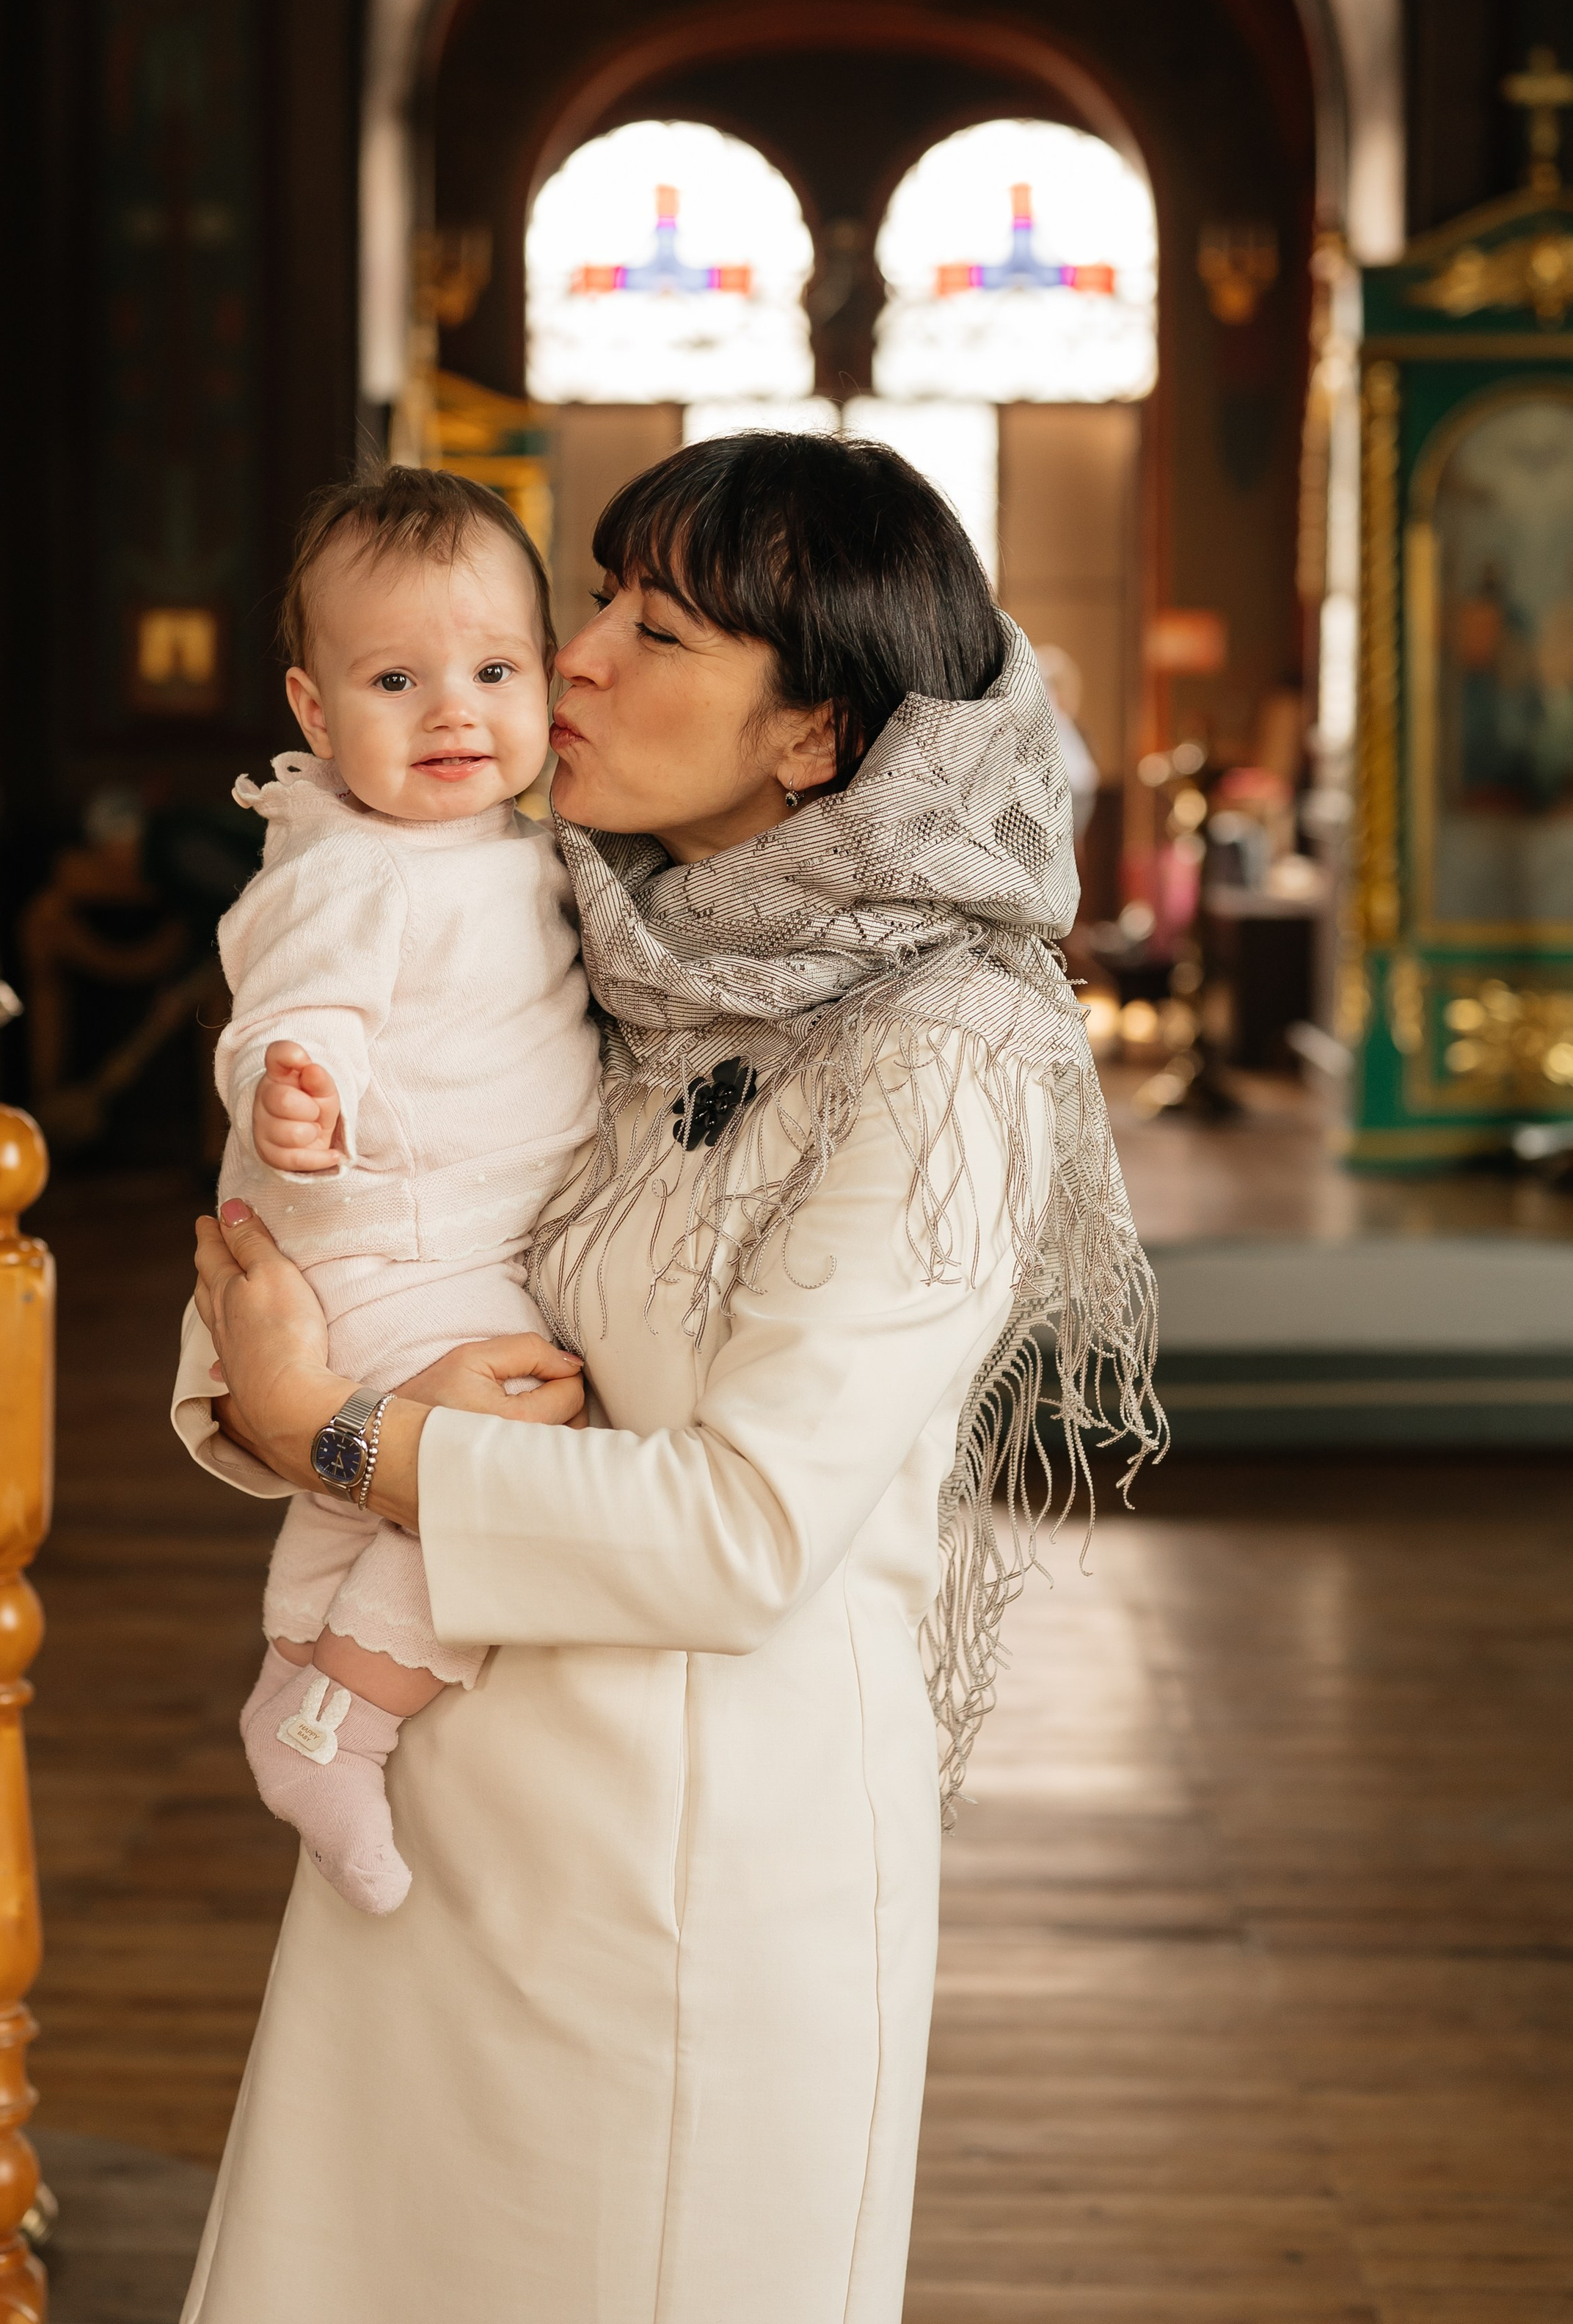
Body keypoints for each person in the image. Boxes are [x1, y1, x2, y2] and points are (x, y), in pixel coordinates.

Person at [180, 431, 1161, 2324]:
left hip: (684, 1878)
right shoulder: (563, 922)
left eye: (661, 630)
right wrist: (275, 1385)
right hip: (429, 1803)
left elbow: (745, 1526)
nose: (578, 656)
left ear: (812, 733)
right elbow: (305, 1245)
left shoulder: (945, 1054)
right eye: (601, 598)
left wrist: (345, 1435)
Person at [169, 469, 599, 1913]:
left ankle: (293, 1669)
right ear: (312, 709)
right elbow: (295, 1005)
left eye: (494, 673)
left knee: (374, 1498)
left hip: (443, 1237)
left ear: (547, 677)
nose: (452, 714)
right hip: (390, 1239)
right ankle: (338, 1724)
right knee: (504, 1455)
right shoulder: (354, 866)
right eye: (396, 681)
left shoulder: (508, 844)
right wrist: (296, 1087)